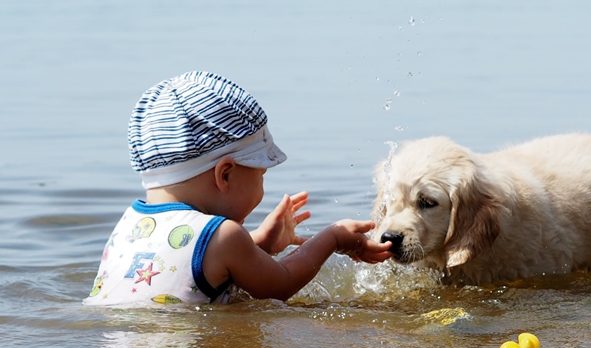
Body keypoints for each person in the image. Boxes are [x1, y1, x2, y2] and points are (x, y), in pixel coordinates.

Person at [85, 71, 392, 307]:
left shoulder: (130, 226)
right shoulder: (225, 236)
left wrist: (257, 244)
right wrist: (333, 237)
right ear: (225, 175)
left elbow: (188, 263)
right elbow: (280, 285)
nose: (262, 187)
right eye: (261, 175)